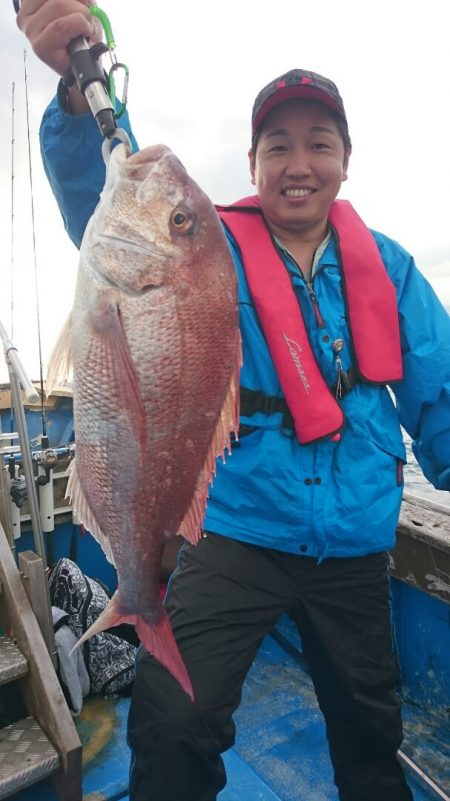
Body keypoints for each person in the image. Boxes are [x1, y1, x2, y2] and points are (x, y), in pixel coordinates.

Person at [17, 3, 450, 800]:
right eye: (277, 144)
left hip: (354, 545)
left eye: (319, 143)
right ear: (251, 162)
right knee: (173, 724)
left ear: (346, 160)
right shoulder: (209, 249)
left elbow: (442, 396)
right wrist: (78, 100)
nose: (299, 161)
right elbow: (108, 202)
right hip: (237, 529)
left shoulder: (389, 270)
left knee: (370, 734)